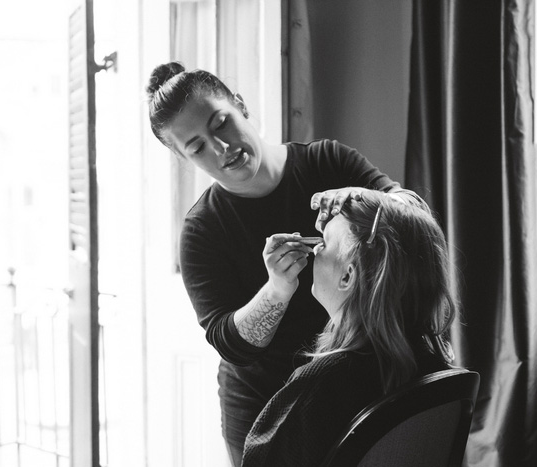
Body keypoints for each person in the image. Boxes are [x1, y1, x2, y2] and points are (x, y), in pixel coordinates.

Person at [146, 61, 417, 466]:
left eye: (221, 123)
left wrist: (363, 198)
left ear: (240, 106)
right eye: (197, 146)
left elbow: (415, 215)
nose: (221, 148)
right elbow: (231, 345)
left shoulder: (327, 160)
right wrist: (276, 289)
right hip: (265, 411)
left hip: (361, 387)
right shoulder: (202, 231)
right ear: (183, 158)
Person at [241, 191, 456, 466]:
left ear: (347, 275)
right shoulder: (435, 367)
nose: (314, 251)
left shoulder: (321, 383)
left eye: (323, 244)